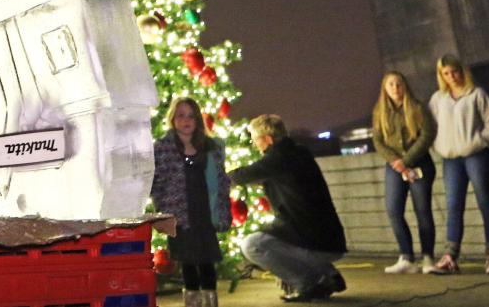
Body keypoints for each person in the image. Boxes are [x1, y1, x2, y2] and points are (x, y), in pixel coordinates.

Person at [229, 114, 346, 302]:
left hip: (315, 241)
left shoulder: (277, 159)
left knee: (252, 245)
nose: (254, 144)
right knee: (272, 237)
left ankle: (310, 283)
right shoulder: (299, 153)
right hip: (330, 239)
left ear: (267, 139)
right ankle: (327, 274)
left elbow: (241, 176)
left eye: (255, 139)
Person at [150, 97, 230, 307]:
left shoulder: (210, 147)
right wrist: (162, 208)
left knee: (206, 257)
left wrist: (221, 203)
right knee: (186, 257)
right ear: (173, 119)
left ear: (198, 120)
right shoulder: (163, 148)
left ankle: (210, 297)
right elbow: (157, 181)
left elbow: (220, 179)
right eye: (181, 116)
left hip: (204, 211)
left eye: (191, 116)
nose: (186, 121)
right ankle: (192, 297)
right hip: (179, 213)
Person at [427, 55, 489, 274]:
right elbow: (430, 127)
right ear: (441, 75)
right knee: (453, 206)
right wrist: (438, 146)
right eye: (446, 73)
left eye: (455, 71)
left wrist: (479, 141)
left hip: (477, 155)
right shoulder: (438, 99)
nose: (452, 77)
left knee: (485, 202)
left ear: (462, 70)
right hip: (451, 159)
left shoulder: (476, 94)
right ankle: (450, 256)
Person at [372, 70, 438, 273]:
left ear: (405, 86)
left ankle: (427, 257)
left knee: (423, 211)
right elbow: (378, 140)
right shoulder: (380, 112)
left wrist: (407, 160)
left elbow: (427, 134)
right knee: (393, 210)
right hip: (394, 167)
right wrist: (395, 161)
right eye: (391, 84)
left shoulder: (418, 107)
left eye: (399, 84)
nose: (395, 88)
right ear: (385, 88)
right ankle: (406, 257)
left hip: (419, 163)